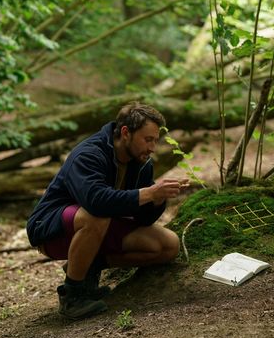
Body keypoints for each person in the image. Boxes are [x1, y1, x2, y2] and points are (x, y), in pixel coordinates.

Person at [27, 101, 188, 319]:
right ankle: (72, 295)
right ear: (125, 133)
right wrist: (149, 193)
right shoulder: (89, 154)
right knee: (96, 215)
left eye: (155, 140)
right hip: (51, 229)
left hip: (99, 226)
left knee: (168, 245)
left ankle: (88, 265)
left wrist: (158, 199)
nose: (152, 148)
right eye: (147, 139)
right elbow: (96, 202)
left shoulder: (142, 163)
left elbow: (143, 218)